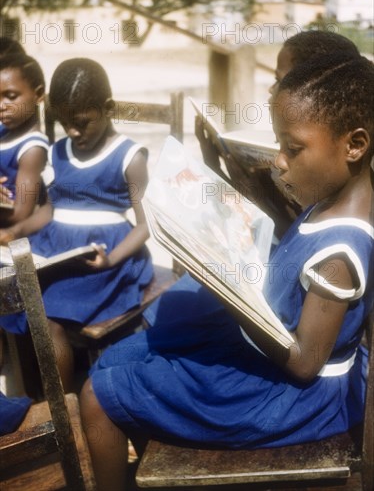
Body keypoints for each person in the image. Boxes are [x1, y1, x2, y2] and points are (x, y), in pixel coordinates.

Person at [79, 53, 373, 491]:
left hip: (289, 400)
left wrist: (230, 293)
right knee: (119, 359)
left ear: (355, 145)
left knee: (97, 396)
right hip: (269, 366)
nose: (279, 160)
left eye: (292, 148)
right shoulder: (328, 198)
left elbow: (305, 363)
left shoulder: (341, 253)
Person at [0, 58, 153, 392]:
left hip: (103, 254)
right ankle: (33, 393)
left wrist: (111, 259)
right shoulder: (59, 151)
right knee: (14, 293)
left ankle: (64, 405)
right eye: (65, 122)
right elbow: (49, 211)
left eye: (82, 122)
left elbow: (145, 227)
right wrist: (15, 232)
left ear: (108, 109)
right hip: (56, 247)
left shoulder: (128, 156)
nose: (73, 131)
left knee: (48, 317)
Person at [196, 30, 362, 239]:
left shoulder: (329, 169)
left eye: (280, 80)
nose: (271, 89)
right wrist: (213, 164)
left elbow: (295, 237)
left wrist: (255, 196)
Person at [0, 53, 48, 229]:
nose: (1, 106)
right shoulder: (3, 133)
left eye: (10, 96)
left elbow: (21, 214)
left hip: (16, 237)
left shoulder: (32, 148)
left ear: (38, 94)